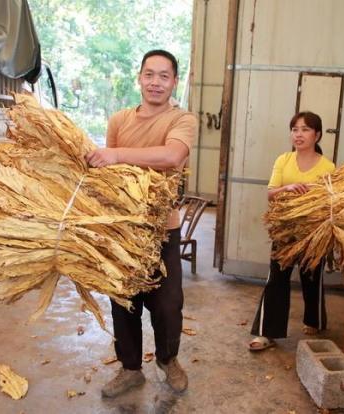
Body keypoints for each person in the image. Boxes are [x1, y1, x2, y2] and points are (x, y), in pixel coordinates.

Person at [85, 50, 197, 397]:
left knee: (167, 303)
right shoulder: (119, 119)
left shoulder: (183, 120)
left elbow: (171, 156)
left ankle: (168, 360)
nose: (156, 82)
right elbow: (110, 172)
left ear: (174, 81)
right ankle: (131, 368)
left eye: (164, 76)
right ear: (139, 78)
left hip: (162, 227)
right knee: (124, 301)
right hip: (123, 228)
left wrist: (117, 155)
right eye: (149, 74)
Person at [248, 111, 335, 351]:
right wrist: (288, 187)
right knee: (276, 278)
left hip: (313, 232)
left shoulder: (327, 166)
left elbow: (330, 201)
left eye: (305, 129)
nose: (299, 134)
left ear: (317, 135)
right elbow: (270, 193)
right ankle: (267, 332)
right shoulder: (283, 160)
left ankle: (314, 320)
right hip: (284, 230)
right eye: (295, 129)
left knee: (312, 277)